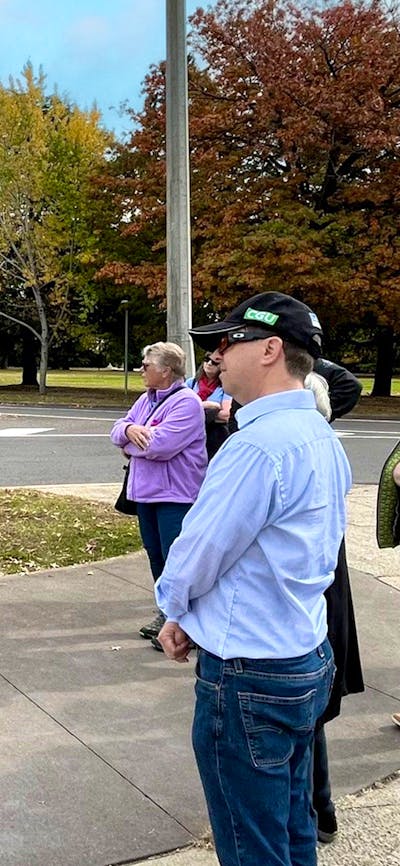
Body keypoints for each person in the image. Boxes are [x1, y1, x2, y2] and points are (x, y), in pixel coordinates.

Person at [154, 292, 352, 866]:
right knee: (291, 828)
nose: (217, 357)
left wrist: (175, 611)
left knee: (251, 846)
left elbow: (199, 550)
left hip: (249, 672)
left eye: (226, 342)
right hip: (303, 654)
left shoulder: (257, 447)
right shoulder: (321, 437)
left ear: (269, 349)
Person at [110, 341, 207, 647]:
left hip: (175, 495)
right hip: (146, 495)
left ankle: (185, 622)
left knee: (176, 559)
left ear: (166, 371)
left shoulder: (186, 402)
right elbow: (116, 430)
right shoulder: (146, 399)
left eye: (146, 365)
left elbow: (159, 446)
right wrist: (128, 433)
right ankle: (167, 613)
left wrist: (133, 441)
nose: (141, 369)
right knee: (156, 556)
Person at [186, 351, 231, 460]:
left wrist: (195, 411)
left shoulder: (225, 386)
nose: (209, 363)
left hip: (214, 436)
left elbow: (226, 415)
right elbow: (180, 407)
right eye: (206, 360)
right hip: (191, 434)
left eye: (214, 362)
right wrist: (209, 405)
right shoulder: (191, 383)